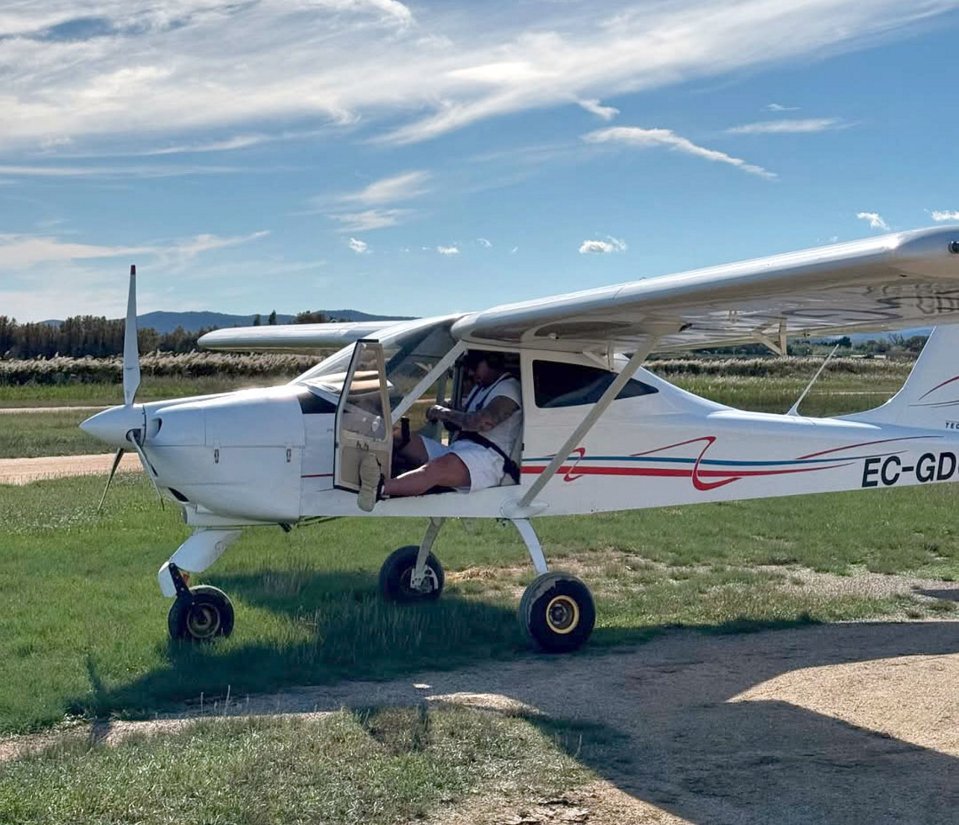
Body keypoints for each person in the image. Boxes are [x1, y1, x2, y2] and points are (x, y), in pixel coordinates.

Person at [357, 351, 522, 510]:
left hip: (488, 461)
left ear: (492, 362)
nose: (470, 373)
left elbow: (482, 422)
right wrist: (447, 413)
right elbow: (462, 420)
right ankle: (359, 460)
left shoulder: (509, 388)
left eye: (473, 366)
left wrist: (442, 412)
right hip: (461, 450)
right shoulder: (481, 388)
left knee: (436, 469)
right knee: (397, 435)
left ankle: (377, 488)